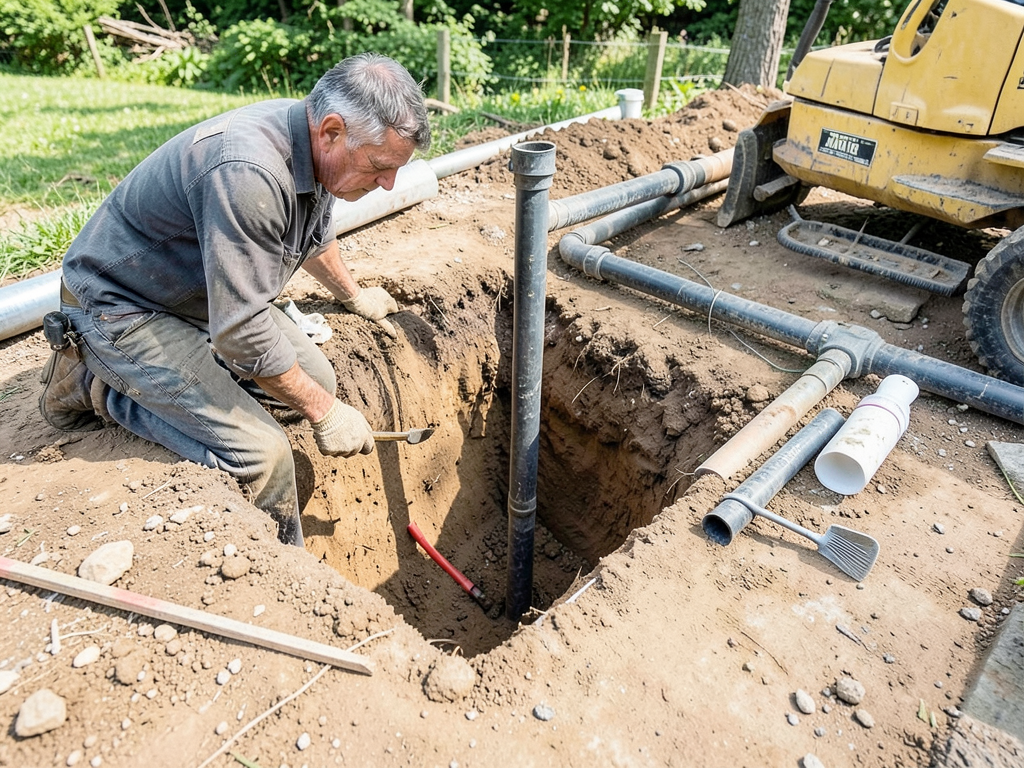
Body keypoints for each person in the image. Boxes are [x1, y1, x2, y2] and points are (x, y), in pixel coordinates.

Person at [38, 52, 431, 547]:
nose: (389, 184)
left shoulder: (315, 145)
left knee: (320, 377)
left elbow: (313, 235)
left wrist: (353, 296)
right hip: (121, 305)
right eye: (379, 167)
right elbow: (242, 330)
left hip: (199, 294)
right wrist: (324, 412)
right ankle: (101, 388)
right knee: (264, 456)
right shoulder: (248, 169)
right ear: (332, 130)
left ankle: (167, 384)